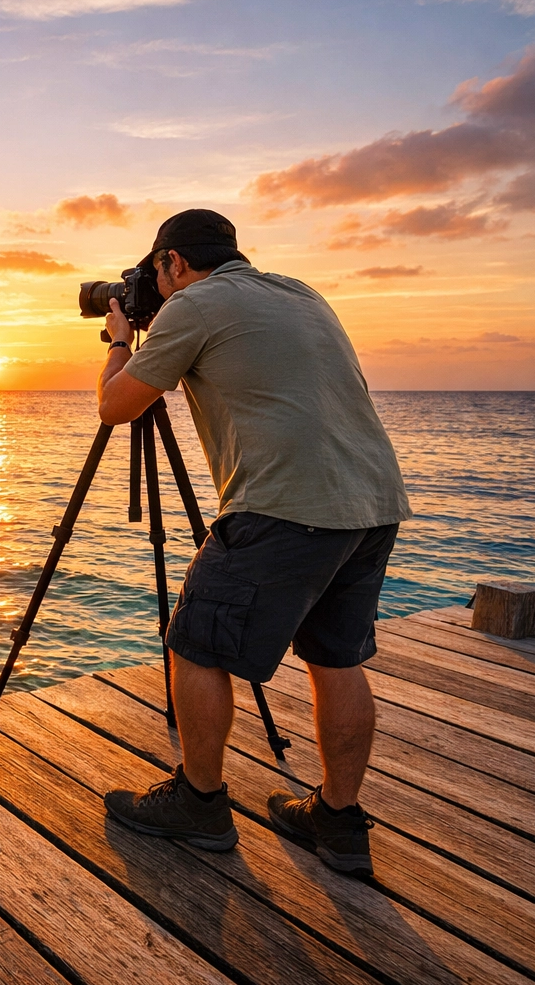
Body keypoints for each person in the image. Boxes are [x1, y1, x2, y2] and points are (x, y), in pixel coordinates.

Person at [95, 209, 410, 876]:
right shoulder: (301, 292)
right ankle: (339, 821)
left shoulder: (196, 304)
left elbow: (117, 406)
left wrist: (120, 341)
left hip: (283, 507)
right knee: (337, 657)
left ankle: (200, 804)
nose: (158, 284)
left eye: (157, 271)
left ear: (173, 262)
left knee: (194, 645)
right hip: (372, 501)